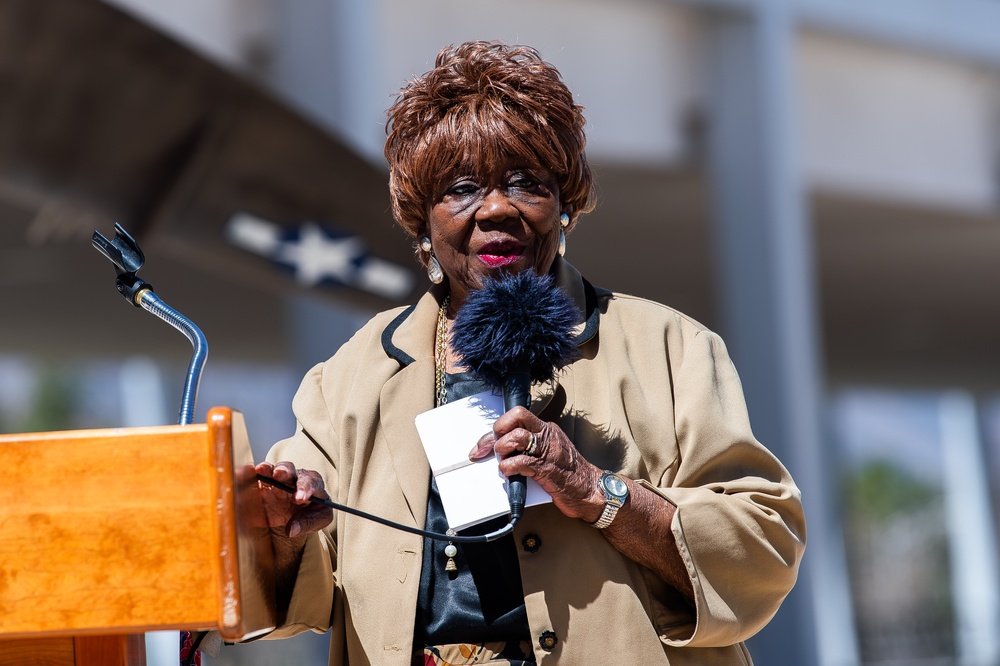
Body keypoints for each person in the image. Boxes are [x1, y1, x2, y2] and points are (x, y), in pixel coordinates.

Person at [253, 40, 805, 665]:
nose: (496, 209)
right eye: (460, 188)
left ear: (564, 204)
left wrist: (597, 491)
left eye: (526, 183)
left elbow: (762, 545)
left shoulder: (671, 347)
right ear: (422, 222)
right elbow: (284, 577)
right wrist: (279, 528)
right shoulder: (353, 375)